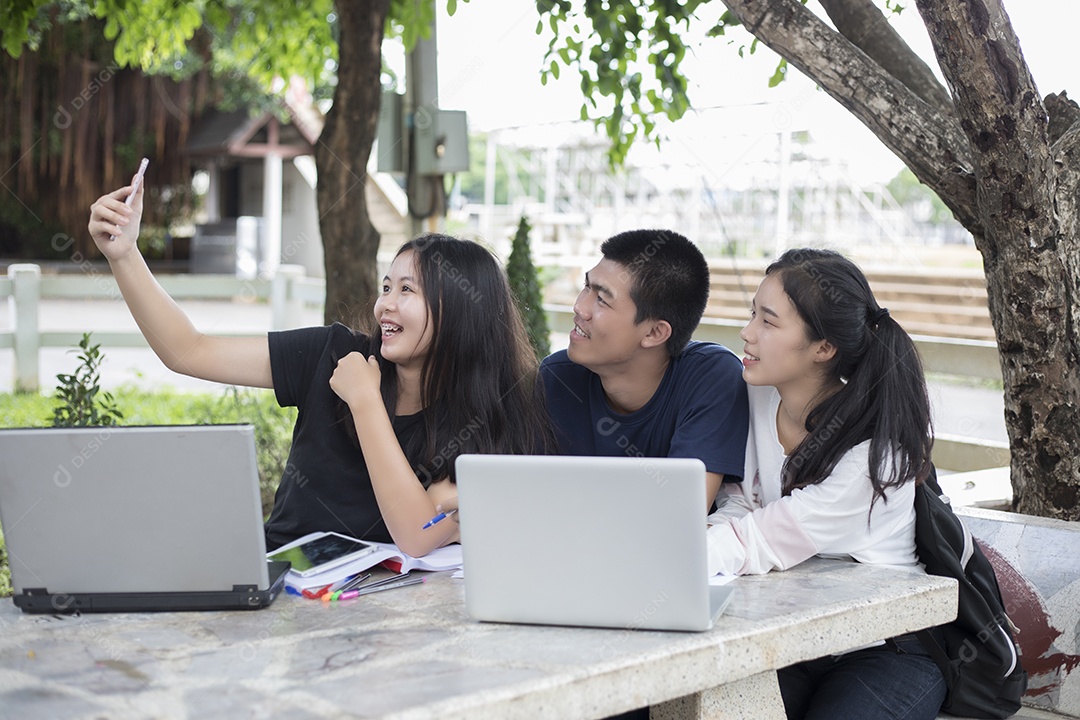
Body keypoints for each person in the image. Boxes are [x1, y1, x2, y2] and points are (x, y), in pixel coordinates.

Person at [88, 176, 554, 557]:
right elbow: (188, 351)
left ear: (460, 313)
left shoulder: (482, 425)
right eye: (386, 287)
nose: (385, 305)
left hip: (380, 621)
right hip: (277, 588)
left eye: (406, 291)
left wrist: (366, 401)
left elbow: (417, 532)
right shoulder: (332, 354)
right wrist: (124, 254)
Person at [706, 248, 945, 720]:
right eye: (752, 313)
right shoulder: (755, 400)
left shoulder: (873, 454)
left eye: (768, 322)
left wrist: (663, 562)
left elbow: (760, 539)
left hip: (884, 648)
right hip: (791, 638)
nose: (747, 332)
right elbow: (740, 505)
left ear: (823, 348)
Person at [540, 229, 749, 510]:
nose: (580, 307)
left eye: (602, 299)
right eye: (586, 286)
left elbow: (680, 513)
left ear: (654, 333)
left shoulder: (711, 378)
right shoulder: (557, 377)